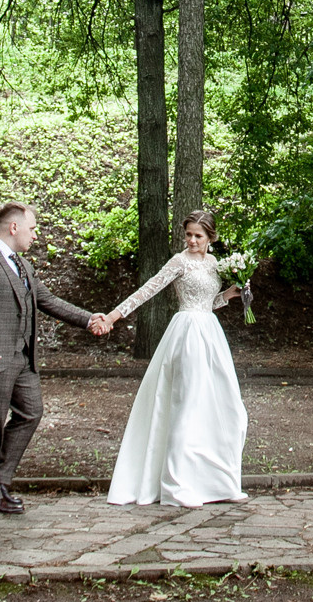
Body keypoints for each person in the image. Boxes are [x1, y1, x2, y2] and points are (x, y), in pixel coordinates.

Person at [0, 201, 110, 515]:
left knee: (31, 412)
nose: (35, 235)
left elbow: (47, 300)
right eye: (33, 228)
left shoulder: (24, 265)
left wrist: (88, 319)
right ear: (14, 227)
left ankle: (0, 482)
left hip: (24, 360)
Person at [99, 208, 248, 506]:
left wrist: (229, 295)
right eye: (189, 235)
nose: (192, 241)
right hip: (186, 335)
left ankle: (219, 484)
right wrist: (114, 315)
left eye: (198, 236)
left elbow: (209, 302)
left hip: (211, 335)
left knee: (224, 406)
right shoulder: (179, 262)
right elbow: (147, 290)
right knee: (188, 405)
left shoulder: (215, 263)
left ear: (210, 238)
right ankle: (177, 486)